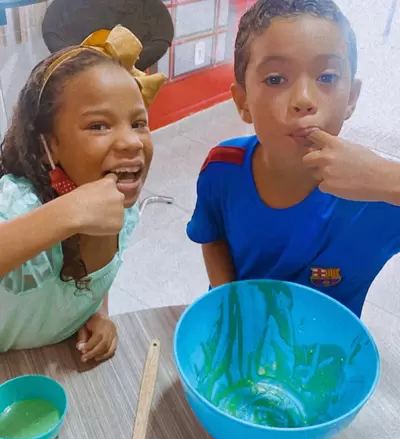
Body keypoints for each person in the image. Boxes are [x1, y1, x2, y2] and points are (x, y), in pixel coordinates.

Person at [187, 0, 400, 318]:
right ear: (243, 101)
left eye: (327, 77)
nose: (304, 99)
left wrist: (386, 178)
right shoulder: (222, 169)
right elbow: (213, 235)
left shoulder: (378, 195)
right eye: (275, 79)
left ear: (351, 98)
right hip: (240, 334)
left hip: (328, 345)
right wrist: (229, 301)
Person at [0, 25, 166, 357]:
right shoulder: (17, 204)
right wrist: (66, 214)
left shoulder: (121, 210)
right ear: (49, 146)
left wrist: (96, 314)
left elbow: (92, 280)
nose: (132, 142)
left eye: (138, 123)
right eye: (98, 125)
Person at [42, 0, 174, 71]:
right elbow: (51, 31)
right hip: (80, 78)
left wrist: (128, 62)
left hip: (129, 81)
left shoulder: (147, 6)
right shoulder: (66, 5)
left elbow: (162, 36)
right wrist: (80, 61)